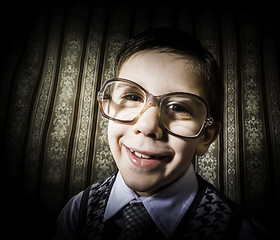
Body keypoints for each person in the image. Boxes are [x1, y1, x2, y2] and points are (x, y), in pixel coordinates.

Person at [55, 27, 267, 240]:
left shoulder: (240, 232)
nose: (148, 127)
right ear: (108, 106)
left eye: (178, 108)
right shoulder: (77, 212)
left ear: (206, 136)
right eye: (132, 97)